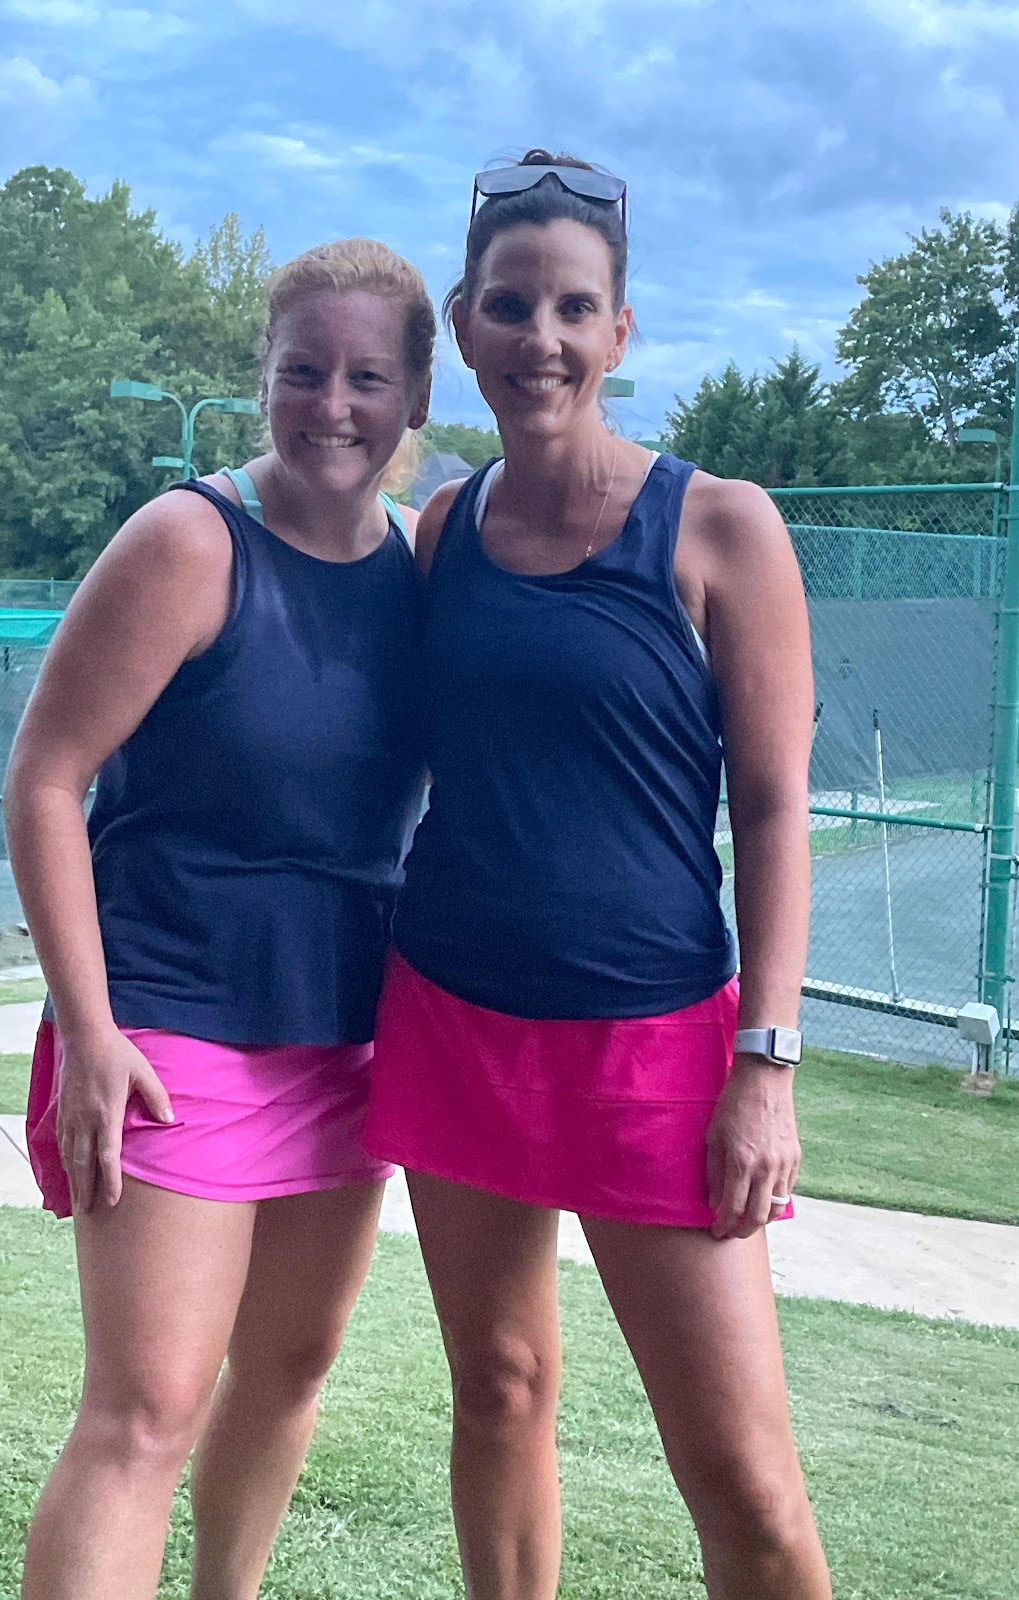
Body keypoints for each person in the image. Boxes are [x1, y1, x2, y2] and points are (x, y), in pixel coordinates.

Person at [364, 152, 832, 1600]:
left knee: (747, 1486)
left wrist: (767, 1064)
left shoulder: (720, 527)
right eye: (510, 305)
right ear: (463, 324)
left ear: (622, 330)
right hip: (455, 1016)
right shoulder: (441, 530)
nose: (542, 338)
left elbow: (774, 809)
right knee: (499, 1392)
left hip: (657, 1047)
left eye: (576, 307)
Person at [6, 237, 433, 1600]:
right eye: (303, 372)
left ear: (417, 397)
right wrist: (88, 1032)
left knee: (292, 1369)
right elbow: (45, 779)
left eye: (367, 377)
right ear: (264, 379)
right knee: (145, 1410)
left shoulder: (427, 565)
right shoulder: (188, 543)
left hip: (346, 1033)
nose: (332, 406)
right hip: (168, 1024)